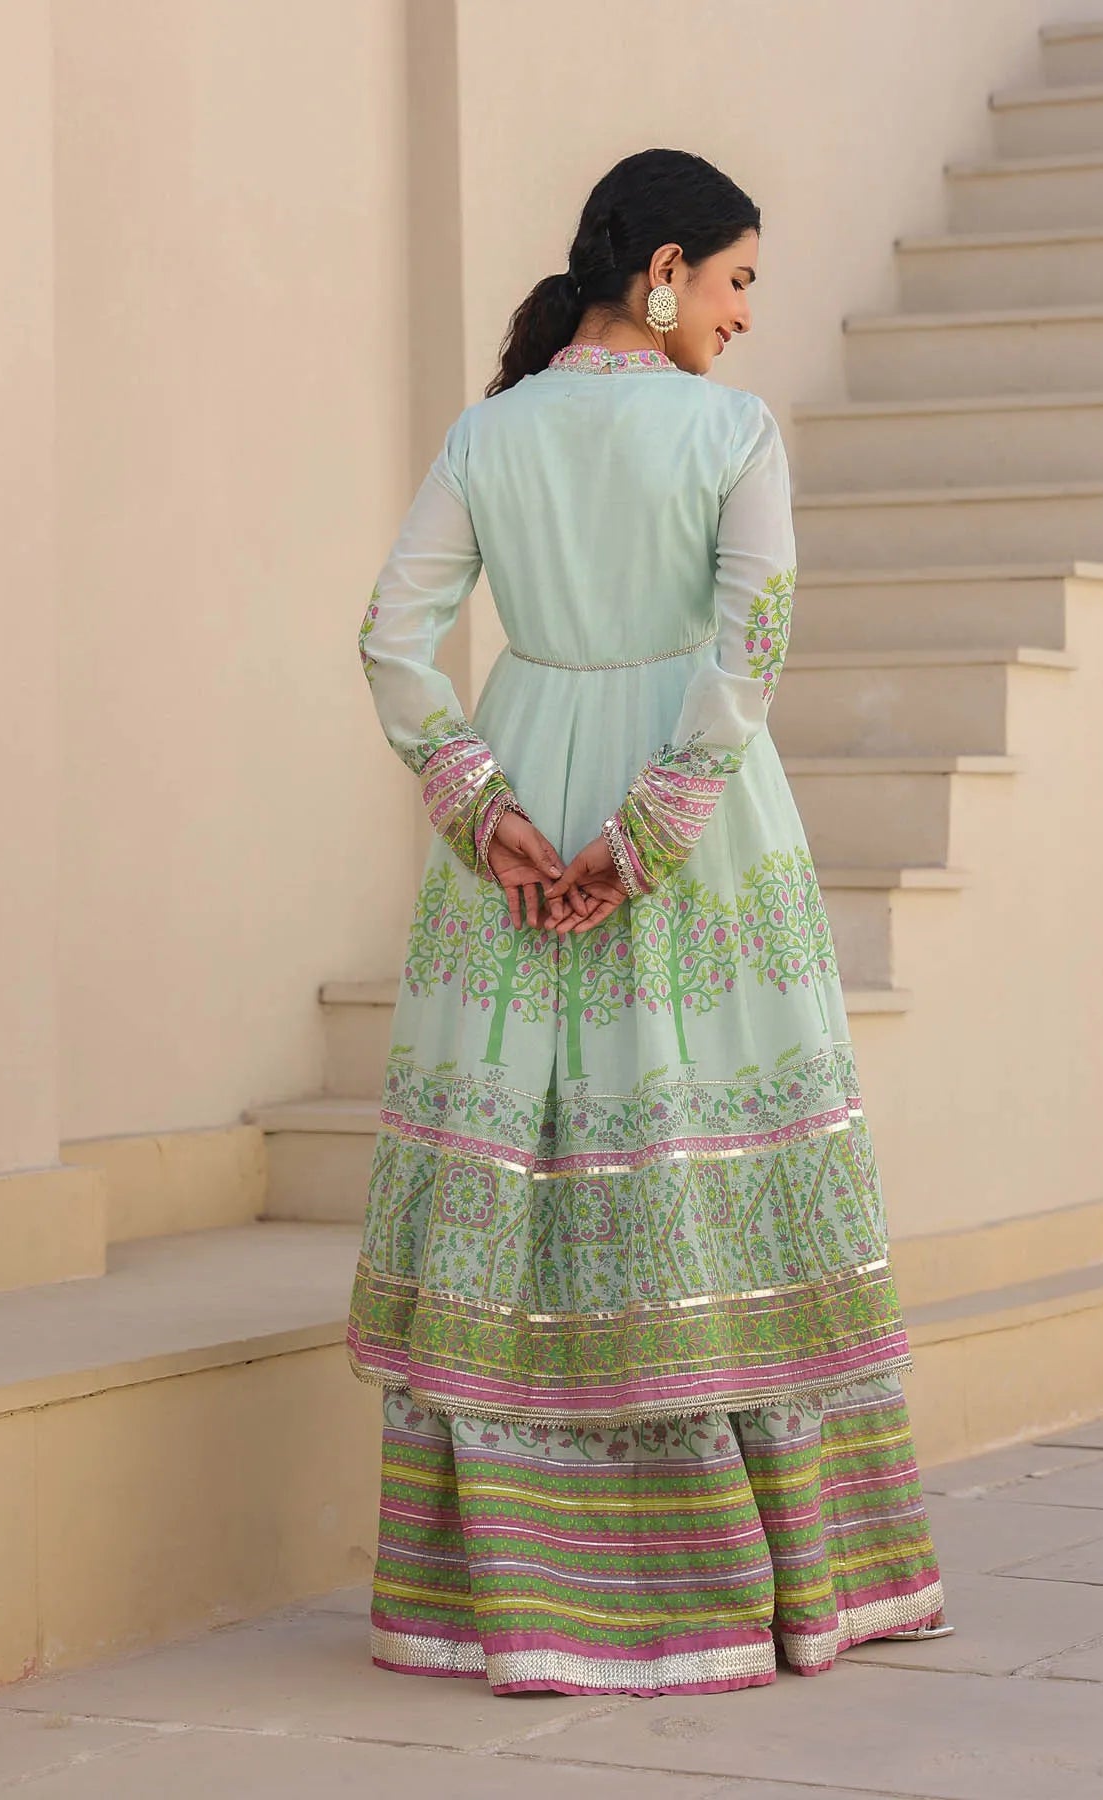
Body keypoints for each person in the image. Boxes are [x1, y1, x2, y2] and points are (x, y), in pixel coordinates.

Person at [347, 147, 951, 1697]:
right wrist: (659, 829)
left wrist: (484, 808)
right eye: (739, 280)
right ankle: (767, 1584)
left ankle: (524, 1599)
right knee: (693, 1157)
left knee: (548, 1171)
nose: (747, 318)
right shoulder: (731, 432)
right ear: (667, 270)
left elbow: (391, 637)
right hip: (697, 822)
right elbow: (751, 642)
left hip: (528, 812)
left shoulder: (491, 434)